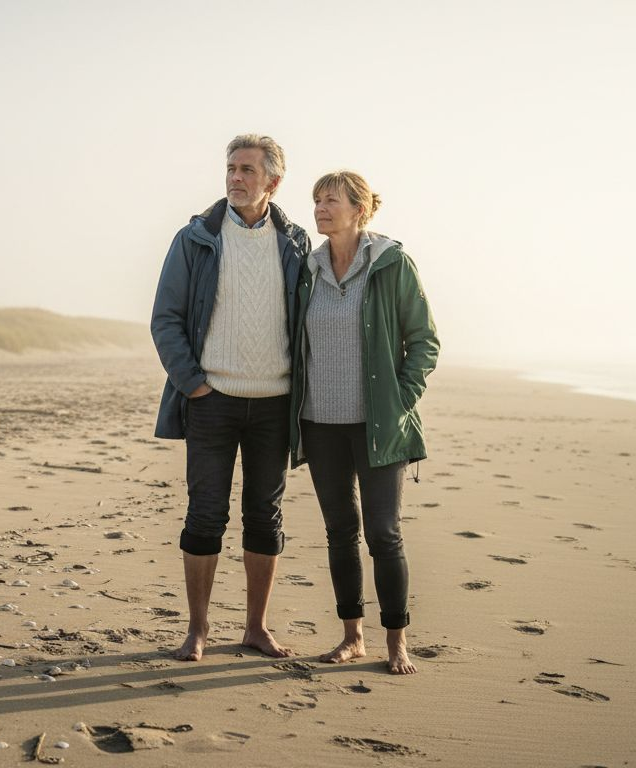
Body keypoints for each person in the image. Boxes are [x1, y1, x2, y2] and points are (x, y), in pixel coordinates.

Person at [151, 134, 311, 661]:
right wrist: (193, 382)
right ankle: (197, 629)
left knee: (266, 519)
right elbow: (166, 319)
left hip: (275, 405)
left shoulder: (295, 243)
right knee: (204, 516)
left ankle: (255, 628)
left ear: (273, 181)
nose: (236, 178)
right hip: (211, 399)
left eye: (247, 169)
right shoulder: (194, 238)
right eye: (230, 168)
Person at [289, 170, 439, 674]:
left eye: (330, 200)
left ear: (360, 209)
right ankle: (352, 636)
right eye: (315, 200)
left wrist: (401, 400)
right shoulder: (307, 268)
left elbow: (424, 341)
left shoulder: (391, 264)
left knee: (383, 533)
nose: (319, 208)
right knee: (340, 531)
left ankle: (397, 640)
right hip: (320, 422)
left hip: (378, 424)